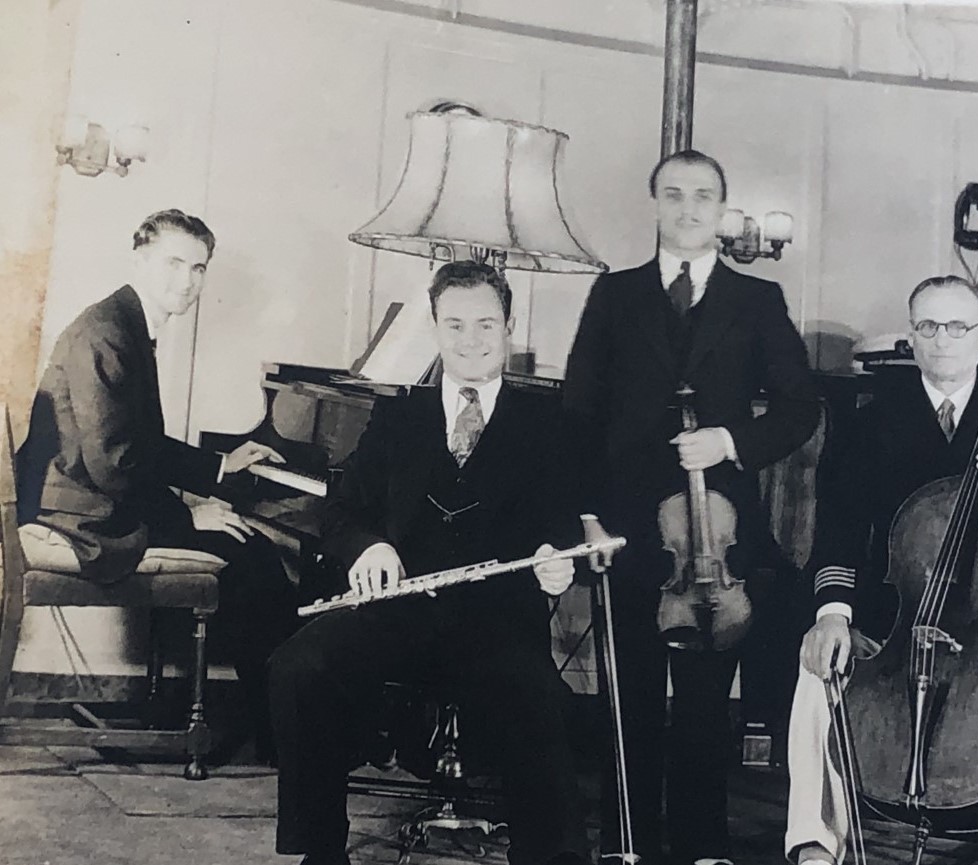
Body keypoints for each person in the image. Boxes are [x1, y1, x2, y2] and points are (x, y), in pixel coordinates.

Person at [268, 261, 588, 865]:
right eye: (456, 325)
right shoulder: (399, 416)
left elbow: (559, 524)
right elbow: (343, 512)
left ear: (509, 327)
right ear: (436, 328)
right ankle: (321, 849)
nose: (471, 341)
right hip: (396, 612)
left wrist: (554, 559)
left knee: (541, 700)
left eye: (486, 325)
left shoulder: (547, 424)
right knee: (296, 667)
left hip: (496, 623)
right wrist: (370, 546)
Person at [565, 149, 820, 865]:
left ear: (721, 209)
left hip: (715, 535)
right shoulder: (614, 295)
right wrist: (587, 515)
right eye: (673, 194)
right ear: (654, 203)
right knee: (634, 695)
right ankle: (632, 845)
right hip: (627, 523)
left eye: (702, 196)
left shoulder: (756, 299)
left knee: (707, 700)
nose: (687, 208)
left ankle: (705, 847)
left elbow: (801, 408)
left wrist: (731, 439)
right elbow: (578, 413)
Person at [786, 275, 978, 865]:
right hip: (898, 610)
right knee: (817, 665)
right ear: (911, 338)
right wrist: (831, 615)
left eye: (956, 326)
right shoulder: (869, 422)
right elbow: (839, 533)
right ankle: (814, 842)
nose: (941, 340)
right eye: (927, 326)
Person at [16, 208, 300, 763]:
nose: (186, 282)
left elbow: (134, 443)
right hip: (80, 516)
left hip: (83, 498)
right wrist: (187, 517)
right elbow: (115, 464)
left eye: (198, 269)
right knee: (255, 557)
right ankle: (282, 730)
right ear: (139, 257)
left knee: (250, 551)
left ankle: (261, 720)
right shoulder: (108, 332)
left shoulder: (124, 322)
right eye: (174, 263)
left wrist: (217, 467)